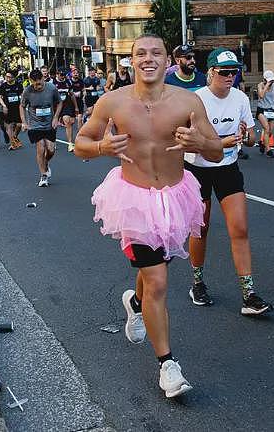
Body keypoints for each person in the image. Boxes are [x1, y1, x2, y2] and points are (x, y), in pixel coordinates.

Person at [73, 33, 222, 398]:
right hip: (133, 200)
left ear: (167, 59)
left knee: (157, 272)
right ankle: (167, 365)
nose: (148, 59)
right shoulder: (112, 102)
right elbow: (80, 145)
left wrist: (199, 143)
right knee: (157, 280)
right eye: (141, 53)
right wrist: (102, 147)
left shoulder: (188, 101)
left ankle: (135, 303)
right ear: (131, 61)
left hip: (175, 198)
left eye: (156, 53)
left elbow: (217, 151)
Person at [184, 48, 272, 315]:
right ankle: (197, 283)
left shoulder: (240, 98)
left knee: (240, 229)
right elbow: (186, 141)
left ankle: (249, 295)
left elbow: (252, 137)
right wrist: (220, 143)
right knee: (202, 228)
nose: (230, 77)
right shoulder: (195, 100)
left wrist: (247, 138)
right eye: (224, 72)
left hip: (228, 168)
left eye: (234, 72)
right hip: (197, 167)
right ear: (210, 72)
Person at [21, 69, 63, 187]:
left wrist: (55, 118)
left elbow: (59, 102)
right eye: (34, 84)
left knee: (50, 149)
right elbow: (22, 106)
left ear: (43, 79)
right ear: (30, 81)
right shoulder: (27, 91)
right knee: (41, 148)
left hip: (49, 124)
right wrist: (24, 122)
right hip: (35, 125)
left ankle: (45, 163)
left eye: (39, 83)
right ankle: (43, 176)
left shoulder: (52, 88)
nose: (37, 86)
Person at [54, 69, 81, 152]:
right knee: (55, 124)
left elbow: (72, 95)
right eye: (60, 75)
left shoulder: (68, 82)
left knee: (69, 121)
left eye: (63, 75)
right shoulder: (53, 83)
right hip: (57, 106)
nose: (62, 77)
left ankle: (70, 143)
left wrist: (76, 107)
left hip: (67, 105)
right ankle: (53, 140)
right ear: (57, 74)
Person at [0, 71, 24, 150]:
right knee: (9, 125)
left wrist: (22, 104)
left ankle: (14, 137)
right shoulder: (3, 86)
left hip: (17, 107)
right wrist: (4, 106)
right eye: (6, 76)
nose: (7, 78)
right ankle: (13, 143)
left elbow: (22, 95)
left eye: (9, 77)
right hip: (8, 108)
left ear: (13, 78)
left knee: (19, 125)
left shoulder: (18, 85)